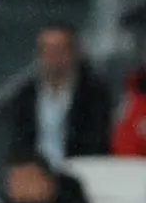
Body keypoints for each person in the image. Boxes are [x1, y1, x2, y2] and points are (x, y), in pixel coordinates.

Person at [8, 23, 111, 167]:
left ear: (74, 53)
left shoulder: (93, 94)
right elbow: (18, 141)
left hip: (80, 171)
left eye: (58, 50)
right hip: (36, 174)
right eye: (45, 50)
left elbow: (96, 141)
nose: (51, 57)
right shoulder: (25, 95)